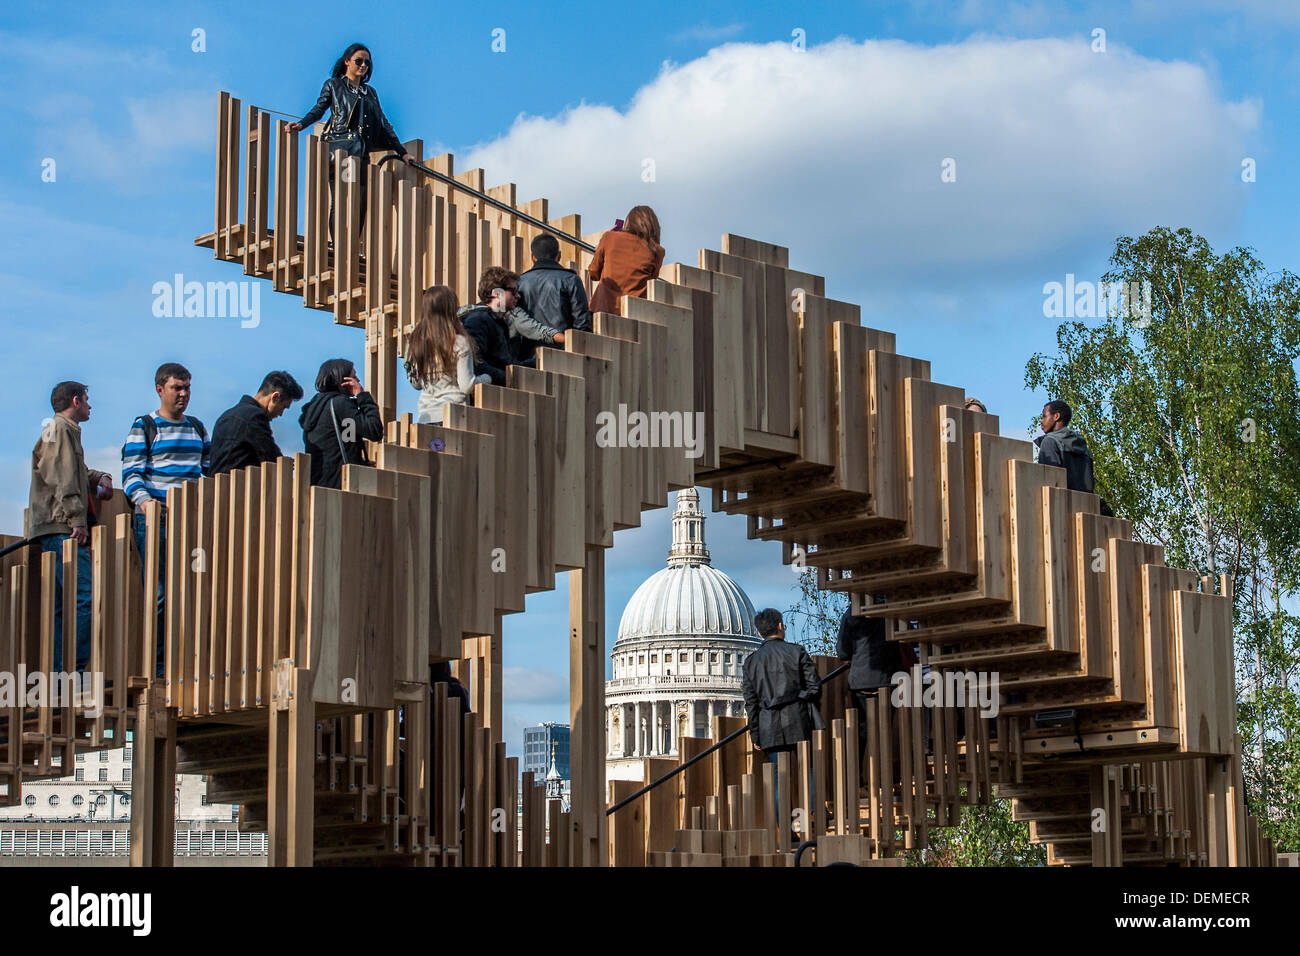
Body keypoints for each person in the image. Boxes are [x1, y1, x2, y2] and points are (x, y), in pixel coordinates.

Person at [122, 363, 211, 676]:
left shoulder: (198, 427)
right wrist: (146, 504)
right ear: (160, 389)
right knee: (160, 592)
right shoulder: (145, 425)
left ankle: (190, 662)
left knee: (196, 588)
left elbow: (208, 471)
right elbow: (131, 473)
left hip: (191, 518)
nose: (183, 394)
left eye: (187, 388)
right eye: (177, 388)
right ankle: (159, 667)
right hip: (157, 518)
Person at [285, 43, 417, 238]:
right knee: (341, 198)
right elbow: (319, 109)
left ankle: (352, 244)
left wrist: (402, 152)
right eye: (359, 61)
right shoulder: (334, 85)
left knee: (362, 200)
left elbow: (383, 124)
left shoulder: (370, 92)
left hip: (361, 151)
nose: (363, 66)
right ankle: (338, 245)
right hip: (341, 149)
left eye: (367, 63)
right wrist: (301, 125)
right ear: (347, 61)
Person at [28, 382, 113, 672]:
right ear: (76, 401)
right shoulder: (61, 429)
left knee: (62, 606)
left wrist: (98, 476)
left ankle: (58, 675)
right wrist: (77, 519)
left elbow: (71, 471)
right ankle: (73, 672)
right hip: (62, 526)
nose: (90, 406)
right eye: (87, 400)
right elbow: (61, 477)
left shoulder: (61, 430)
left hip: (54, 526)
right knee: (85, 595)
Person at [742, 608, 822, 829]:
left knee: (779, 781)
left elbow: (751, 703)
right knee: (809, 771)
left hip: (769, 727)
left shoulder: (751, 662)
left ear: (759, 634)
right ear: (780, 626)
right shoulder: (797, 652)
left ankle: (787, 830)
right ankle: (812, 815)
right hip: (799, 721)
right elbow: (814, 688)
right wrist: (798, 698)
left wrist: (755, 735)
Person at [460, 267, 562, 386]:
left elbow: (505, 364)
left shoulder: (498, 321)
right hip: (485, 396)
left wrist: (537, 363)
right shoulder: (478, 320)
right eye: (513, 291)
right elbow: (475, 363)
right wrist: (507, 377)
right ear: (497, 293)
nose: (518, 296)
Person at [405, 286, 491, 424]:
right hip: (453, 415)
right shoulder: (459, 342)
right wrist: (487, 378)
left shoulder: (417, 342)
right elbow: (467, 386)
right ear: (450, 309)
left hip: (426, 416)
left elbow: (417, 384)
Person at [836, 607, 903, 782]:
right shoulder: (889, 609)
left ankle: (855, 779)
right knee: (884, 730)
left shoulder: (851, 614)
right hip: (888, 678)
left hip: (861, 681)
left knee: (861, 731)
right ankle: (883, 778)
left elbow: (842, 651)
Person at [298, 358, 383, 488]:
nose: (358, 381)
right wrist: (362, 396)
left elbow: (344, 440)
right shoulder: (340, 405)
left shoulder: (314, 408)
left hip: (319, 485)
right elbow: (374, 430)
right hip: (339, 486)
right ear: (344, 381)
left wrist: (358, 462)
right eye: (354, 376)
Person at [515, 233, 591, 363]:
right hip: (563, 356)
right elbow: (582, 323)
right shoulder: (571, 279)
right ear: (559, 255)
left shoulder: (519, 282)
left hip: (528, 358)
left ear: (533, 257)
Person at [210, 371, 304, 475]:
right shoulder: (255, 417)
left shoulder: (225, 416)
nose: (281, 414)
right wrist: (288, 466)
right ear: (275, 397)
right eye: (284, 407)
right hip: (238, 487)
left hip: (215, 487)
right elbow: (273, 459)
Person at [1036, 399, 1113, 515]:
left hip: (1060, 513)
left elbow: (1050, 484)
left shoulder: (1050, 442)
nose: (1041, 421)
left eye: (1044, 416)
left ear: (1056, 416)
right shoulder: (1084, 448)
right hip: (1086, 513)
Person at [587, 205, 665, 314]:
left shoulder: (609, 237)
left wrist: (600, 248)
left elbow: (593, 273)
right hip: (634, 313)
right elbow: (653, 278)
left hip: (603, 310)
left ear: (629, 223)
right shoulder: (658, 251)